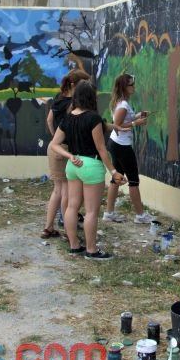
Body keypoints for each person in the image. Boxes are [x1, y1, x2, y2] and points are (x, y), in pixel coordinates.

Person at [50, 81, 125, 260]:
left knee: (72, 206)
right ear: (91, 97)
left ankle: (74, 246)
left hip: (73, 166)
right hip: (91, 165)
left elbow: (54, 144)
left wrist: (69, 156)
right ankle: (91, 250)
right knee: (91, 211)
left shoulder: (67, 118)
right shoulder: (93, 118)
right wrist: (114, 171)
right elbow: (101, 148)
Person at [41, 69, 89, 239]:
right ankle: (69, 232)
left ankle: (48, 228)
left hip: (54, 148)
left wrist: (56, 139)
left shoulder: (58, 98)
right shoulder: (74, 104)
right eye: (84, 84)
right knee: (67, 192)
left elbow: (49, 120)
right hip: (66, 149)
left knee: (58, 190)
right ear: (75, 85)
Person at [103, 74, 155, 224]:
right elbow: (117, 125)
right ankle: (140, 216)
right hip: (122, 146)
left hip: (116, 144)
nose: (133, 87)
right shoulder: (123, 105)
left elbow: (124, 119)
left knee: (116, 179)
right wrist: (135, 123)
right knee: (133, 180)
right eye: (131, 84)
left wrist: (138, 115)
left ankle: (109, 213)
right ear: (124, 87)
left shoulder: (121, 102)